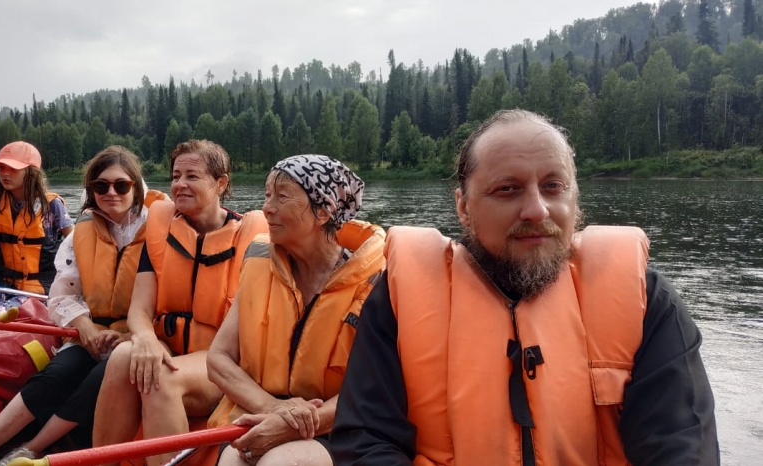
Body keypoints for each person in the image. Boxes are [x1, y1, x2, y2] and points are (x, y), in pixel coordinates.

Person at [330, 109, 719, 465]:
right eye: (508, 189)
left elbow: (680, 446)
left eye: (553, 186)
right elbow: (366, 442)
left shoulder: (643, 299)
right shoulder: (398, 301)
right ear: (463, 207)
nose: (537, 210)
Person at [0, 146, 169, 466]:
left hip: (138, 338)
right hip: (93, 330)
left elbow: (169, 298)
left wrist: (133, 336)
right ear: (91, 190)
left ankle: (32, 449)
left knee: (100, 377)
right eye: (100, 186)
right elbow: (62, 294)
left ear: (135, 186)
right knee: (56, 375)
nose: (111, 193)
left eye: (121, 185)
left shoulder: (161, 230)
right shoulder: (83, 233)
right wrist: (85, 327)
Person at [93, 140, 268, 466]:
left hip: (219, 361)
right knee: (122, 356)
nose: (180, 184)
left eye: (192, 176)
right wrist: (144, 338)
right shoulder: (161, 231)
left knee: (162, 376)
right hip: (170, 345)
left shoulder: (253, 240)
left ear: (221, 183)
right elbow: (140, 309)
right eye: (176, 176)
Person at [206, 155, 385, 466]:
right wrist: (273, 409)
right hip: (259, 412)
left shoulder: (375, 283)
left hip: (333, 428)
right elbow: (218, 359)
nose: (267, 207)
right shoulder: (259, 262)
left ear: (323, 210)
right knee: (232, 463)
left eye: (283, 195)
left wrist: (297, 423)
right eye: (267, 194)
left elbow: (372, 387)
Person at [0, 141, 73, 318]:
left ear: (31, 172)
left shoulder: (52, 206)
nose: (5, 173)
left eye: (13, 168)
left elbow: (77, 247)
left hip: (35, 293)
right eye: (1, 168)